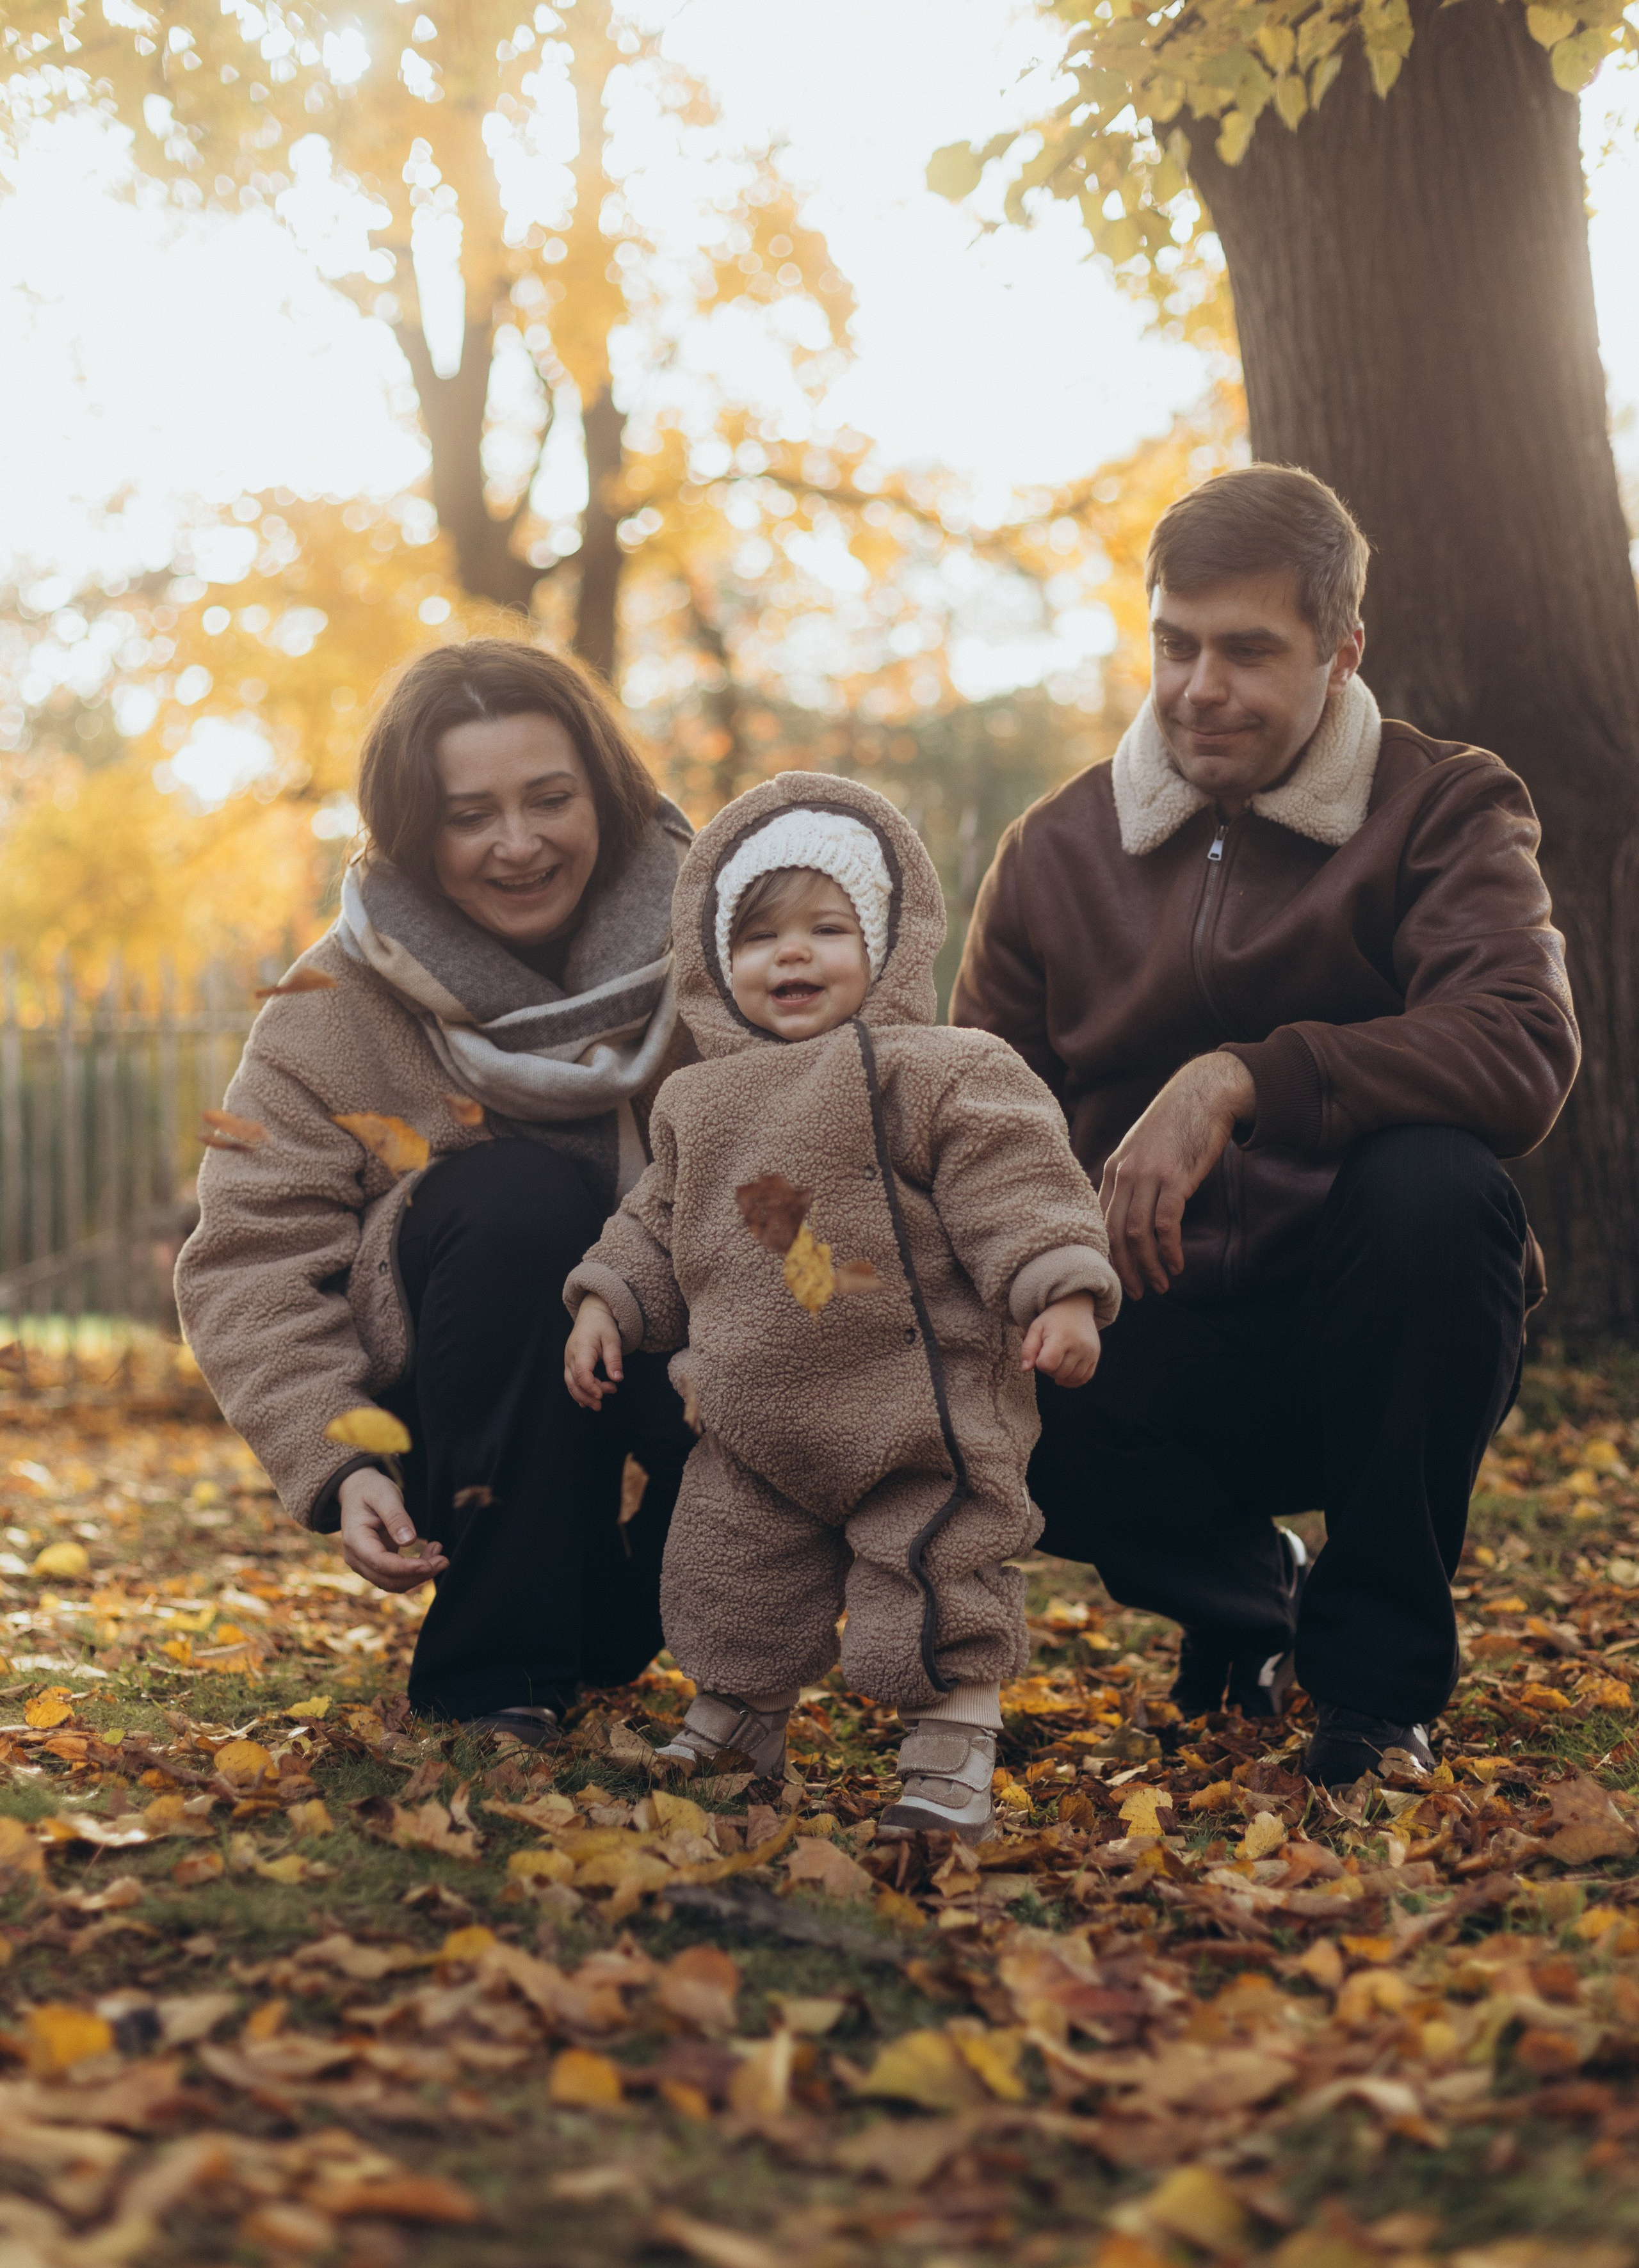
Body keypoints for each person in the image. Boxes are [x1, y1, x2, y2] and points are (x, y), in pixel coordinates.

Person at [952, 465, 1580, 1787]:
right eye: (1174, 645)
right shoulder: (1053, 852)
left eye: (1247, 651)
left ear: (1341, 652)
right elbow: (977, 1125)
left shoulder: (1445, 805)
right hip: (1137, 1343)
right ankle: (1249, 1593)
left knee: (1438, 1184)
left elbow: (1519, 1040)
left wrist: (1238, 1078)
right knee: (957, 1312)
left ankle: (1373, 1697)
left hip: (1373, 1334)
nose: (1199, 688)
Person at [562, 773, 1120, 1839]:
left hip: (914, 1407)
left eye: (827, 928)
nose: (794, 955)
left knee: (935, 1566)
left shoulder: (941, 1069)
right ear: (716, 959)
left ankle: (951, 1737)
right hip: (753, 1415)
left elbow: (1019, 1182)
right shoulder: (696, 1100)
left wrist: (1060, 1288)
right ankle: (738, 1713)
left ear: (887, 943)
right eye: (760, 936)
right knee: (729, 1570)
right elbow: (656, 1221)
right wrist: (606, 1300)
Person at [175, 639, 695, 1746]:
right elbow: (251, 1257)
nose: (519, 843)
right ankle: (492, 1677)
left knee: (614, 1629)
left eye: (549, 798)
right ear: (417, 830)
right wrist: (339, 1458)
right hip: (456, 1395)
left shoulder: (725, 948)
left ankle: (632, 1613)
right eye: (471, 815)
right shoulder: (334, 1000)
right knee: (515, 1197)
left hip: (685, 1356)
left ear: (604, 793)